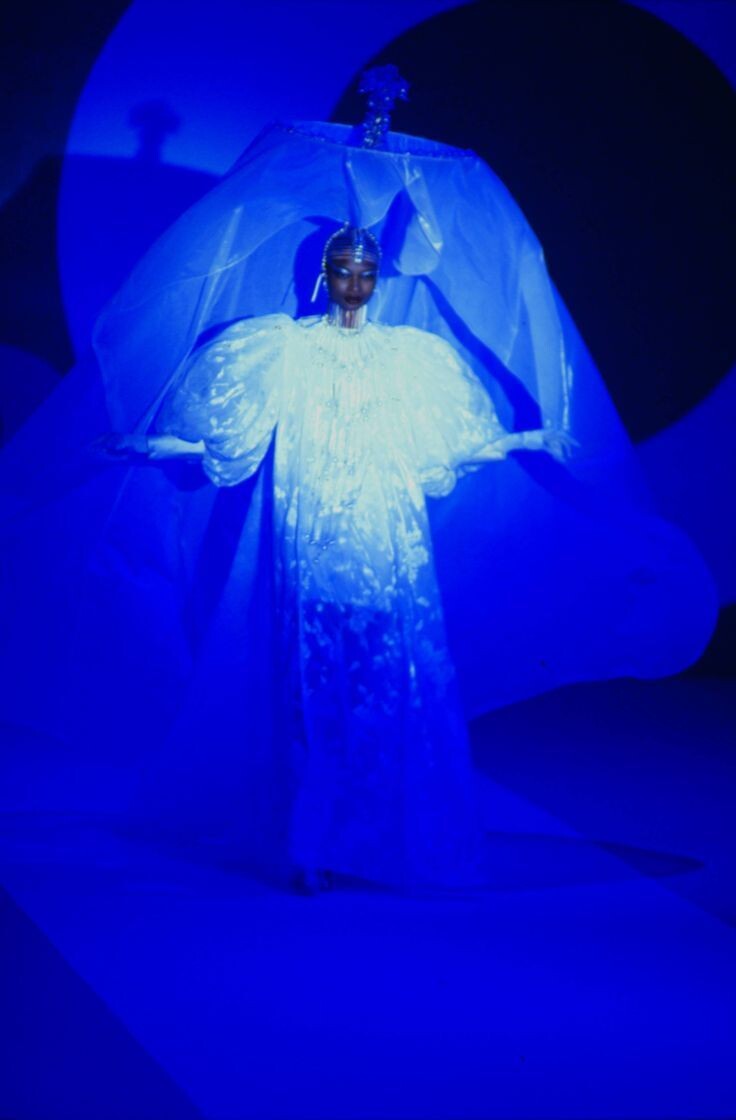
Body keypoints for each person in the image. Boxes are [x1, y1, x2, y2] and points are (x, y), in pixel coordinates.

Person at [100, 223, 571, 894]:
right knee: (309, 684)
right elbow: (228, 439)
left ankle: (373, 836)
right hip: (310, 534)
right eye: (345, 271)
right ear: (326, 275)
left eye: (366, 272)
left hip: (382, 538)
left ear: (377, 280)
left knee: (382, 682)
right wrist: (150, 446)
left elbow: (453, 443)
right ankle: (309, 840)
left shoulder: (406, 359)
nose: (355, 284)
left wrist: (527, 440)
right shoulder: (285, 351)